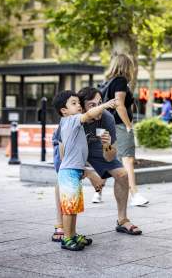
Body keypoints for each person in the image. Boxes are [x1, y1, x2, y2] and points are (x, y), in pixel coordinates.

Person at [52, 90, 116, 251]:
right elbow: (89, 115)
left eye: (78, 102)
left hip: (74, 170)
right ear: (64, 111)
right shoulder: (70, 120)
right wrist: (105, 105)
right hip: (69, 171)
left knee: (73, 208)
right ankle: (67, 238)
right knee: (69, 209)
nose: (78, 105)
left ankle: (72, 234)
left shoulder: (74, 123)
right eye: (73, 103)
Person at [78, 87, 142, 235]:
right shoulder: (75, 118)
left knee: (123, 175)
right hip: (72, 149)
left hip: (95, 147)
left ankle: (122, 220)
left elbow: (110, 157)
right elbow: (66, 157)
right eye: (92, 105)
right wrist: (89, 174)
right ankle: (62, 226)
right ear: (82, 108)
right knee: (66, 178)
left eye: (100, 103)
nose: (99, 108)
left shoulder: (107, 118)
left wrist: (107, 145)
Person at [105, 54, 148, 206]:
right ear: (126, 66)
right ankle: (134, 194)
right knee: (128, 159)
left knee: (111, 160)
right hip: (120, 126)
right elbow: (120, 104)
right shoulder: (121, 81)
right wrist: (129, 125)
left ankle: (98, 193)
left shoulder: (108, 82)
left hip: (108, 125)